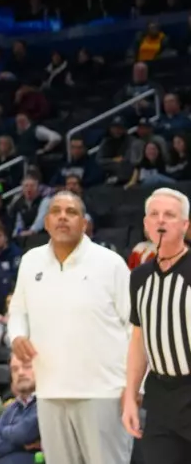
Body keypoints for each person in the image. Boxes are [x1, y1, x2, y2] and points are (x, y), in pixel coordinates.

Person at [8, 189, 132, 464]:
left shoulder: (110, 263)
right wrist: (17, 336)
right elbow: (18, 311)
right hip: (50, 390)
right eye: (56, 211)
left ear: (84, 223)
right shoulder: (30, 261)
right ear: (47, 221)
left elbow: (135, 327)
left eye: (71, 212)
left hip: (103, 392)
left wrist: (134, 387)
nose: (63, 217)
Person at [124, 188, 191, 463]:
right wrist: (130, 395)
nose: (161, 220)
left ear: (185, 225)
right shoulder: (139, 277)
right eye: (154, 214)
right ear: (145, 224)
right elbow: (139, 341)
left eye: (170, 215)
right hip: (161, 395)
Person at [0, 363, 41, 464]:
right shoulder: (12, 407)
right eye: (15, 369)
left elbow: (24, 434)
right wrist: (22, 445)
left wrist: (2, 431)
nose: (20, 373)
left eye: (27, 367)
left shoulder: (45, 403)